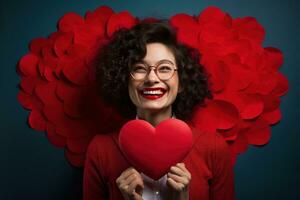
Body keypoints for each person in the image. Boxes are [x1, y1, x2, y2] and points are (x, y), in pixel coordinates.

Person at [83, 20, 235, 200]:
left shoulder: (214, 149)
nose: (152, 78)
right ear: (125, 80)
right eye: (140, 68)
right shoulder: (100, 150)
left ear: (181, 82)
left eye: (164, 68)